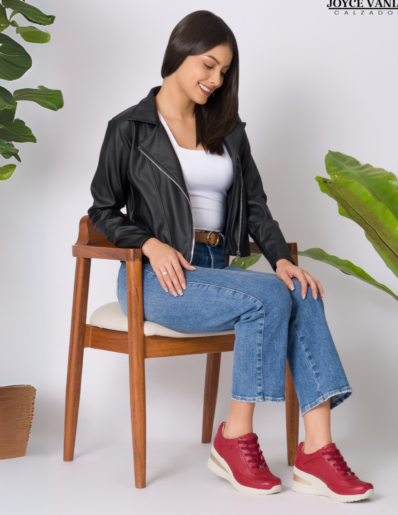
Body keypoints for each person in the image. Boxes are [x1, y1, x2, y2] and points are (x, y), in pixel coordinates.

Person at [87, 10, 373, 503]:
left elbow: (255, 205)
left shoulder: (228, 129)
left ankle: (317, 450)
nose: (216, 80)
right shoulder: (130, 128)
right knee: (269, 298)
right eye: (209, 65)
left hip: (217, 270)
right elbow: (102, 210)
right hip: (157, 278)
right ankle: (235, 438)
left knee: (299, 289)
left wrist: (281, 259)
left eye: (224, 71)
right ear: (179, 54)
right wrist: (150, 244)